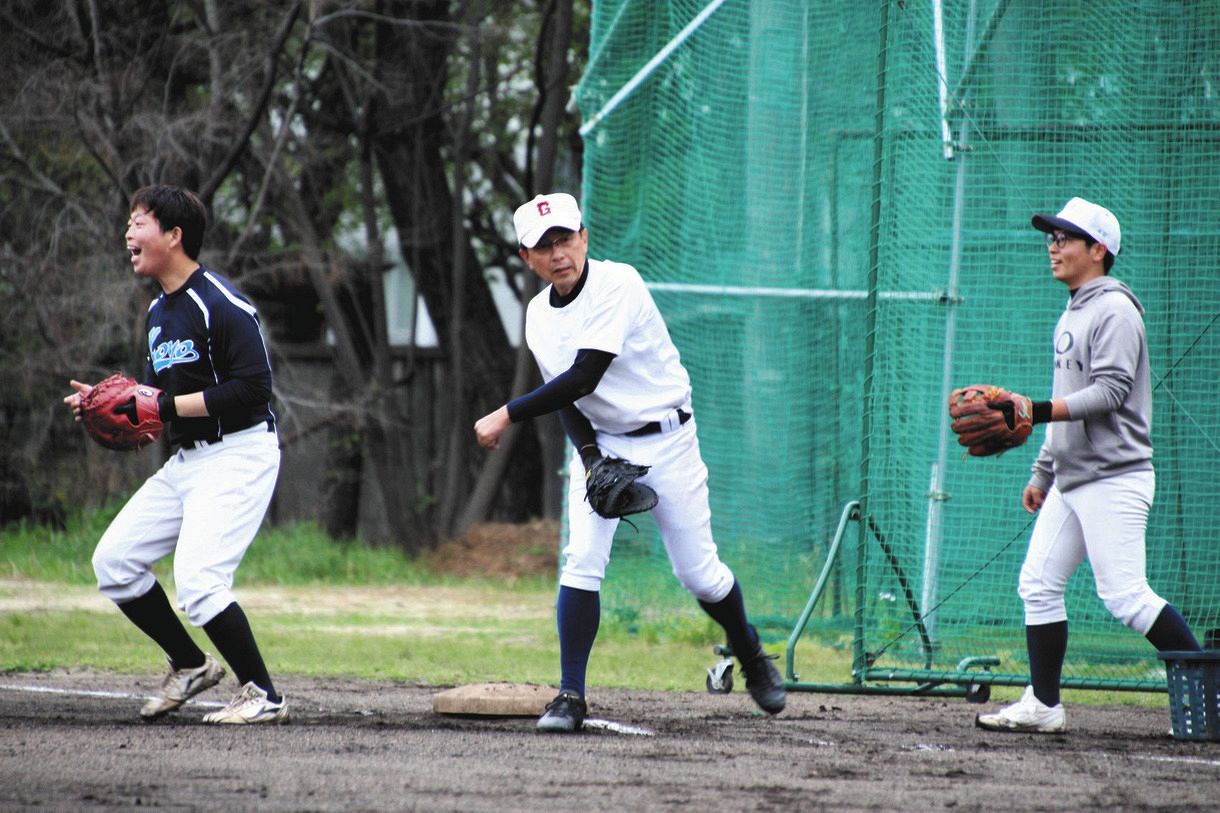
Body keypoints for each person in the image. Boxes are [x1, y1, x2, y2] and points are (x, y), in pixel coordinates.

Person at [474, 192, 786, 733]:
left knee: (700, 575)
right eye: (542, 246)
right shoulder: (538, 317)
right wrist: (592, 459)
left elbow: (585, 376)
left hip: (668, 439)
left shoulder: (619, 284)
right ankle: (570, 694)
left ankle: (751, 651)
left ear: (584, 237)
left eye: (565, 238)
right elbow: (565, 399)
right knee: (582, 561)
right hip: (605, 442)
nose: (558, 253)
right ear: (526, 259)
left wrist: (507, 413)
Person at [974, 197, 1200, 733]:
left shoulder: (1116, 310)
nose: (1052, 246)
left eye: (1063, 238)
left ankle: (1205, 698)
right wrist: (1043, 471)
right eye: (1049, 237)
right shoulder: (1075, 309)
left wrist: (1039, 412)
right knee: (1038, 582)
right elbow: (1064, 398)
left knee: (1126, 596)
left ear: (1098, 250)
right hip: (1074, 479)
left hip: (1115, 478)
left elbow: (1112, 391)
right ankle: (1044, 705)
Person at [64, 185, 287, 724]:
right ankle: (189, 664)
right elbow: (153, 401)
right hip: (189, 460)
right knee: (115, 563)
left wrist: (160, 405)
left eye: (139, 222)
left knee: (200, 580)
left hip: (240, 452)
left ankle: (263, 695)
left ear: (174, 235)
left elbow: (254, 389)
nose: (128, 233)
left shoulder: (221, 303)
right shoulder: (158, 315)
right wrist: (112, 407)